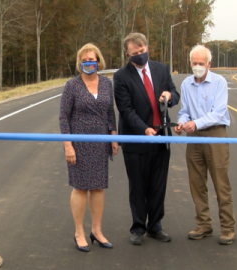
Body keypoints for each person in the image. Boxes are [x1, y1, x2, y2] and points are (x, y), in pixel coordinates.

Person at [113, 32, 180, 245]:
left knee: (158, 185)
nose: (140, 55)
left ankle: (155, 226)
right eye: (135, 53)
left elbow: (174, 94)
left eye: (143, 51)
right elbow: (125, 109)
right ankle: (138, 227)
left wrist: (169, 97)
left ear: (147, 48)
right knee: (138, 185)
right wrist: (144, 130)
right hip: (136, 139)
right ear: (128, 55)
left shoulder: (161, 69)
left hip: (161, 137)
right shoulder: (121, 76)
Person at [174, 45, 236, 245]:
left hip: (215, 133)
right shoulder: (186, 84)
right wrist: (182, 122)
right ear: (190, 63)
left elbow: (218, 112)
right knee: (196, 183)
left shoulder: (219, 82)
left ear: (209, 64)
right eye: (195, 63)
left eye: (202, 63)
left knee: (221, 183)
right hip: (194, 136)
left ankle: (227, 228)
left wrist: (195, 123)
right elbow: (185, 110)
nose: (198, 66)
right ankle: (203, 224)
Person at [59, 43, 118, 252]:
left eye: (91, 60)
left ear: (99, 62)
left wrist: (113, 136)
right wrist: (68, 145)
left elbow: (110, 112)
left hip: (100, 142)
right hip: (79, 144)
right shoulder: (72, 86)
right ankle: (79, 232)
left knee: (98, 187)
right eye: (84, 61)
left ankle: (97, 231)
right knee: (81, 187)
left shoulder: (106, 84)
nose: (88, 64)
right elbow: (64, 117)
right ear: (79, 64)